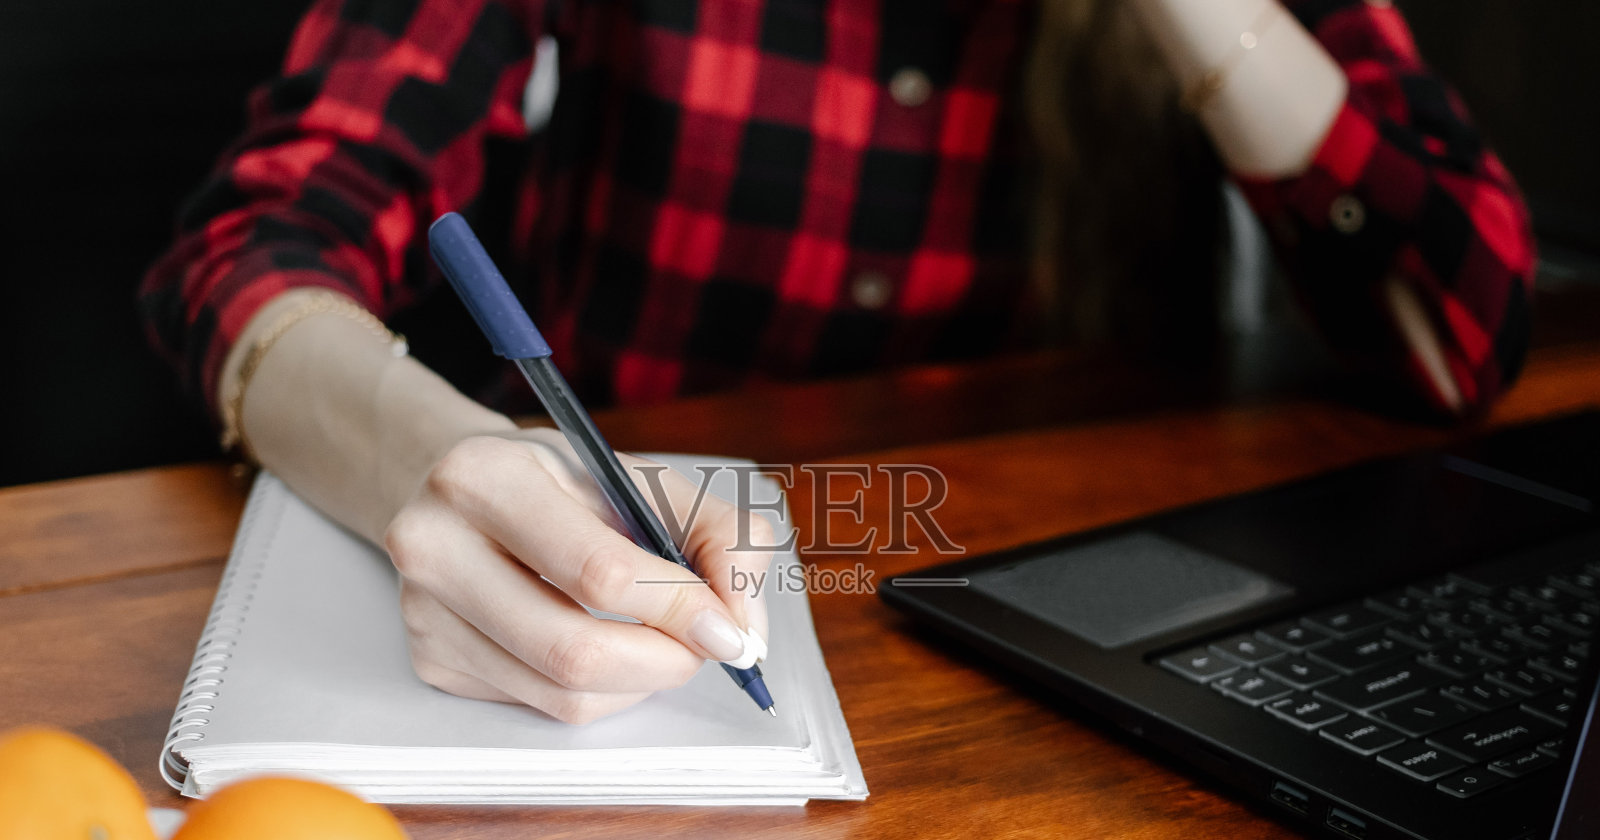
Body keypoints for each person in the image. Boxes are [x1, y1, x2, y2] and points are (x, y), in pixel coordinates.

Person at [141, 0, 1535, 723]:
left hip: (1059, 629)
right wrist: (433, 463)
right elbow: (257, 241)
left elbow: (1461, 335)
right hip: (637, 583)